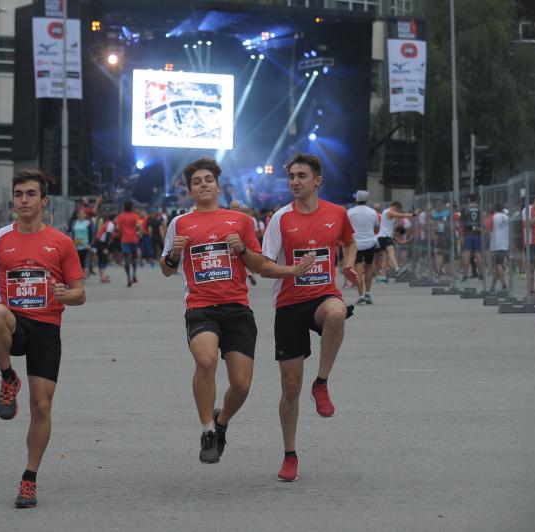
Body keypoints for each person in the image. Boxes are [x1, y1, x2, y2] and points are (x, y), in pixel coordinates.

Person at [0, 169, 85, 508]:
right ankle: (7, 377)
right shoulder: (0, 239)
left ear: (44, 200)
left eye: (31, 194)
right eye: (19, 194)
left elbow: (80, 294)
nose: (24, 200)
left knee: (41, 406)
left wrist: (65, 295)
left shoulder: (61, 242)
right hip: (14, 323)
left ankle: (29, 479)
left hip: (47, 328)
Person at [259, 154, 358, 482]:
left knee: (337, 312)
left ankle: (322, 383)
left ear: (318, 180)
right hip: (288, 305)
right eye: (291, 176)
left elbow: (350, 242)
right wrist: (292, 270)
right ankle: (290, 454)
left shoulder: (337, 214)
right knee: (289, 386)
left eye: (302, 175)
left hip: (322, 296)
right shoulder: (280, 219)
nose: (295, 181)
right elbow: (263, 265)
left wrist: (347, 265)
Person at [160, 156, 265, 465]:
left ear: (218, 186)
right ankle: (207, 430)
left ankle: (221, 422)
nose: (203, 184)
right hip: (201, 307)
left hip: (237, 308)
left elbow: (259, 264)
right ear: (190, 191)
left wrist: (242, 250)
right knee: (205, 361)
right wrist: (174, 254)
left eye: (208, 180)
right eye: (196, 182)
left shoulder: (241, 221)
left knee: (242, 384)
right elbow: (166, 268)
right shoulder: (180, 224)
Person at [347, 190, 379, 304]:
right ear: (366, 199)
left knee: (358, 270)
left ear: (356, 199)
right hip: (370, 243)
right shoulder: (372, 212)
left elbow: (347, 229)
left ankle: (361, 295)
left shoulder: (350, 212)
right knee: (369, 267)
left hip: (356, 244)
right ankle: (368, 293)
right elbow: (376, 228)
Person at [375, 201, 414, 279]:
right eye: (398, 210)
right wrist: (413, 214)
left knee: (385, 259)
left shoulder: (387, 213)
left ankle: (383, 277)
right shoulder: (388, 212)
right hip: (385, 237)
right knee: (391, 253)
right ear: (395, 207)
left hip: (383, 237)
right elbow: (400, 215)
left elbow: (390, 229)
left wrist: (399, 239)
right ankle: (397, 269)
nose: (397, 212)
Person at [460, 193, 484, 282]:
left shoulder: (465, 209)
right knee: (478, 255)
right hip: (477, 234)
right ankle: (481, 276)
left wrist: (461, 236)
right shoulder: (480, 209)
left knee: (466, 254)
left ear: (469, 200)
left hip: (468, 234)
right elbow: (482, 222)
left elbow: (462, 225)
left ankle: (465, 276)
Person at [116, 201, 141, 287]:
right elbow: (138, 226)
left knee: (126, 259)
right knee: (134, 257)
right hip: (134, 239)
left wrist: (121, 233)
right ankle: (134, 274)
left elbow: (117, 228)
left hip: (124, 239)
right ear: (132, 207)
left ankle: (128, 278)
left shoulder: (120, 216)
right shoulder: (135, 216)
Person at [488, 204, 510, 292]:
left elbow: (487, 229)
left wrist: (476, 229)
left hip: (496, 244)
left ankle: (504, 284)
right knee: (499, 265)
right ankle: (492, 286)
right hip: (505, 243)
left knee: (498, 265)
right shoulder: (506, 217)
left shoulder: (493, 217)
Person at [93, 212, 116, 283]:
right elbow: (107, 236)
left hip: (99, 242)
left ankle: (102, 276)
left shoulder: (107, 223)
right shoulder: (111, 224)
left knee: (100, 259)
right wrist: (105, 247)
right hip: (102, 243)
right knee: (104, 260)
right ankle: (103, 276)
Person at [71, 208, 93, 273]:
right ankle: (78, 274)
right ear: (77, 215)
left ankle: (84, 274)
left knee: (84, 260)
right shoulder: (74, 222)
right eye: (80, 214)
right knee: (77, 261)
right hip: (76, 244)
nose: (81, 215)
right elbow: (72, 233)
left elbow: (91, 234)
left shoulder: (88, 223)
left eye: (83, 214)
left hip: (85, 245)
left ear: (85, 215)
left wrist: (89, 244)